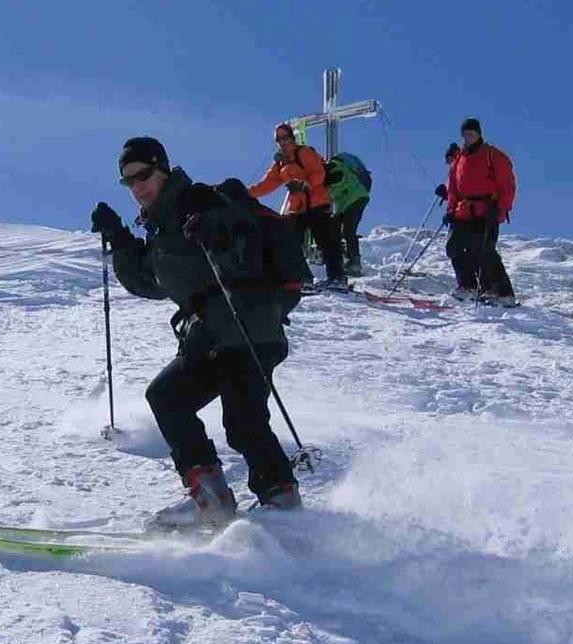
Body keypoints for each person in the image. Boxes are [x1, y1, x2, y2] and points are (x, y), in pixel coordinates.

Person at [90, 136, 302, 530]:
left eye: (142, 175)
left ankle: (283, 506)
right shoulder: (161, 227)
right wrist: (120, 240)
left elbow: (244, 249)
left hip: (248, 326)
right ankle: (212, 500)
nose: (137, 187)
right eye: (128, 181)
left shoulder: (202, 200)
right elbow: (151, 283)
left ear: (163, 168)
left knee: (243, 421)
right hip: (210, 336)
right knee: (167, 396)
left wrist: (219, 233)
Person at [250, 123, 345, 290]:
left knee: (326, 241)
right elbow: (266, 185)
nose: (282, 142)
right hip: (297, 208)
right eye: (278, 139)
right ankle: (303, 278)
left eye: (284, 138)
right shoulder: (280, 164)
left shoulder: (304, 153)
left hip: (317, 203)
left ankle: (337, 278)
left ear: (292, 138)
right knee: (291, 243)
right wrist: (243, 193)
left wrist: (304, 185)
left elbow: (319, 173)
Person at [441, 118, 518, 306]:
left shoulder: (493, 155)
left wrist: (501, 208)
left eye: (472, 133)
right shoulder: (459, 159)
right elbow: (453, 188)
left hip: (487, 209)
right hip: (462, 210)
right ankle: (468, 287)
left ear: (479, 134)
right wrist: (450, 209)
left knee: (483, 249)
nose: (468, 137)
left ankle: (501, 291)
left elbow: (507, 185)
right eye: (465, 134)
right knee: (454, 247)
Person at [324, 151, 373, 276]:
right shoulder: (329, 171)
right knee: (332, 228)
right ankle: (341, 258)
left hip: (356, 198)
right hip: (346, 203)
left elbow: (338, 179)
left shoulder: (333, 167)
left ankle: (354, 262)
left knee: (348, 229)